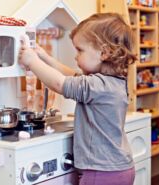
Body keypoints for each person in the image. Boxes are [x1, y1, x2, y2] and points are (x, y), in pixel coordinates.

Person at [18, 12, 137, 185]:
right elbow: (72, 77)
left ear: (104, 53)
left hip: (101, 171)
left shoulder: (97, 86)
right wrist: (46, 58)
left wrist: (32, 61)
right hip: (119, 168)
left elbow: (60, 84)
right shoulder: (111, 83)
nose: (76, 56)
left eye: (80, 50)